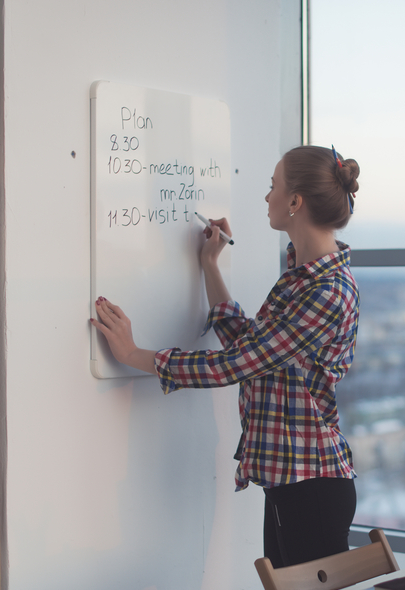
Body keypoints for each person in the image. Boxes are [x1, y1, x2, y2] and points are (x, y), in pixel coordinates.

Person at [91, 145, 361, 568]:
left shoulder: (325, 292)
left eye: (273, 187)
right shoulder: (303, 278)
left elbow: (233, 366)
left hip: (312, 487)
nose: (266, 197)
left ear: (295, 202)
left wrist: (132, 353)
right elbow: (250, 348)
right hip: (294, 482)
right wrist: (210, 264)